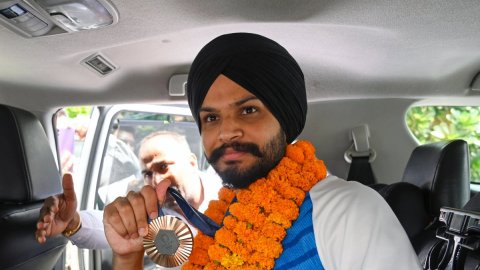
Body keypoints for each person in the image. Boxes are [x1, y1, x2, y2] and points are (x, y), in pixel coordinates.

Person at [102, 33, 422, 269]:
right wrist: (128, 256)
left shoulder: (349, 210)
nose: (227, 131)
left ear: (285, 117)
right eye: (211, 117)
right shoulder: (223, 221)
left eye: (248, 110)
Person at [36, 131, 222, 252]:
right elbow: (113, 226)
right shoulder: (155, 212)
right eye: (147, 173)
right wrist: (72, 222)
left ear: (191, 162)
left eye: (163, 167)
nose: (156, 180)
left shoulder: (231, 195)